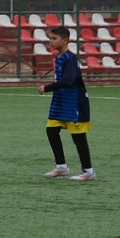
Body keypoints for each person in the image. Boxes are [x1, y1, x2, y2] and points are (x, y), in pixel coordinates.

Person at [39, 25, 94, 181]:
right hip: (60, 101)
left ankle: (88, 171)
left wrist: (47, 88)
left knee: (78, 137)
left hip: (74, 102)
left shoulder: (70, 58)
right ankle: (62, 167)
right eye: (50, 38)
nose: (50, 41)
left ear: (65, 40)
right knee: (51, 131)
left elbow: (69, 81)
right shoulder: (59, 57)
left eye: (54, 38)